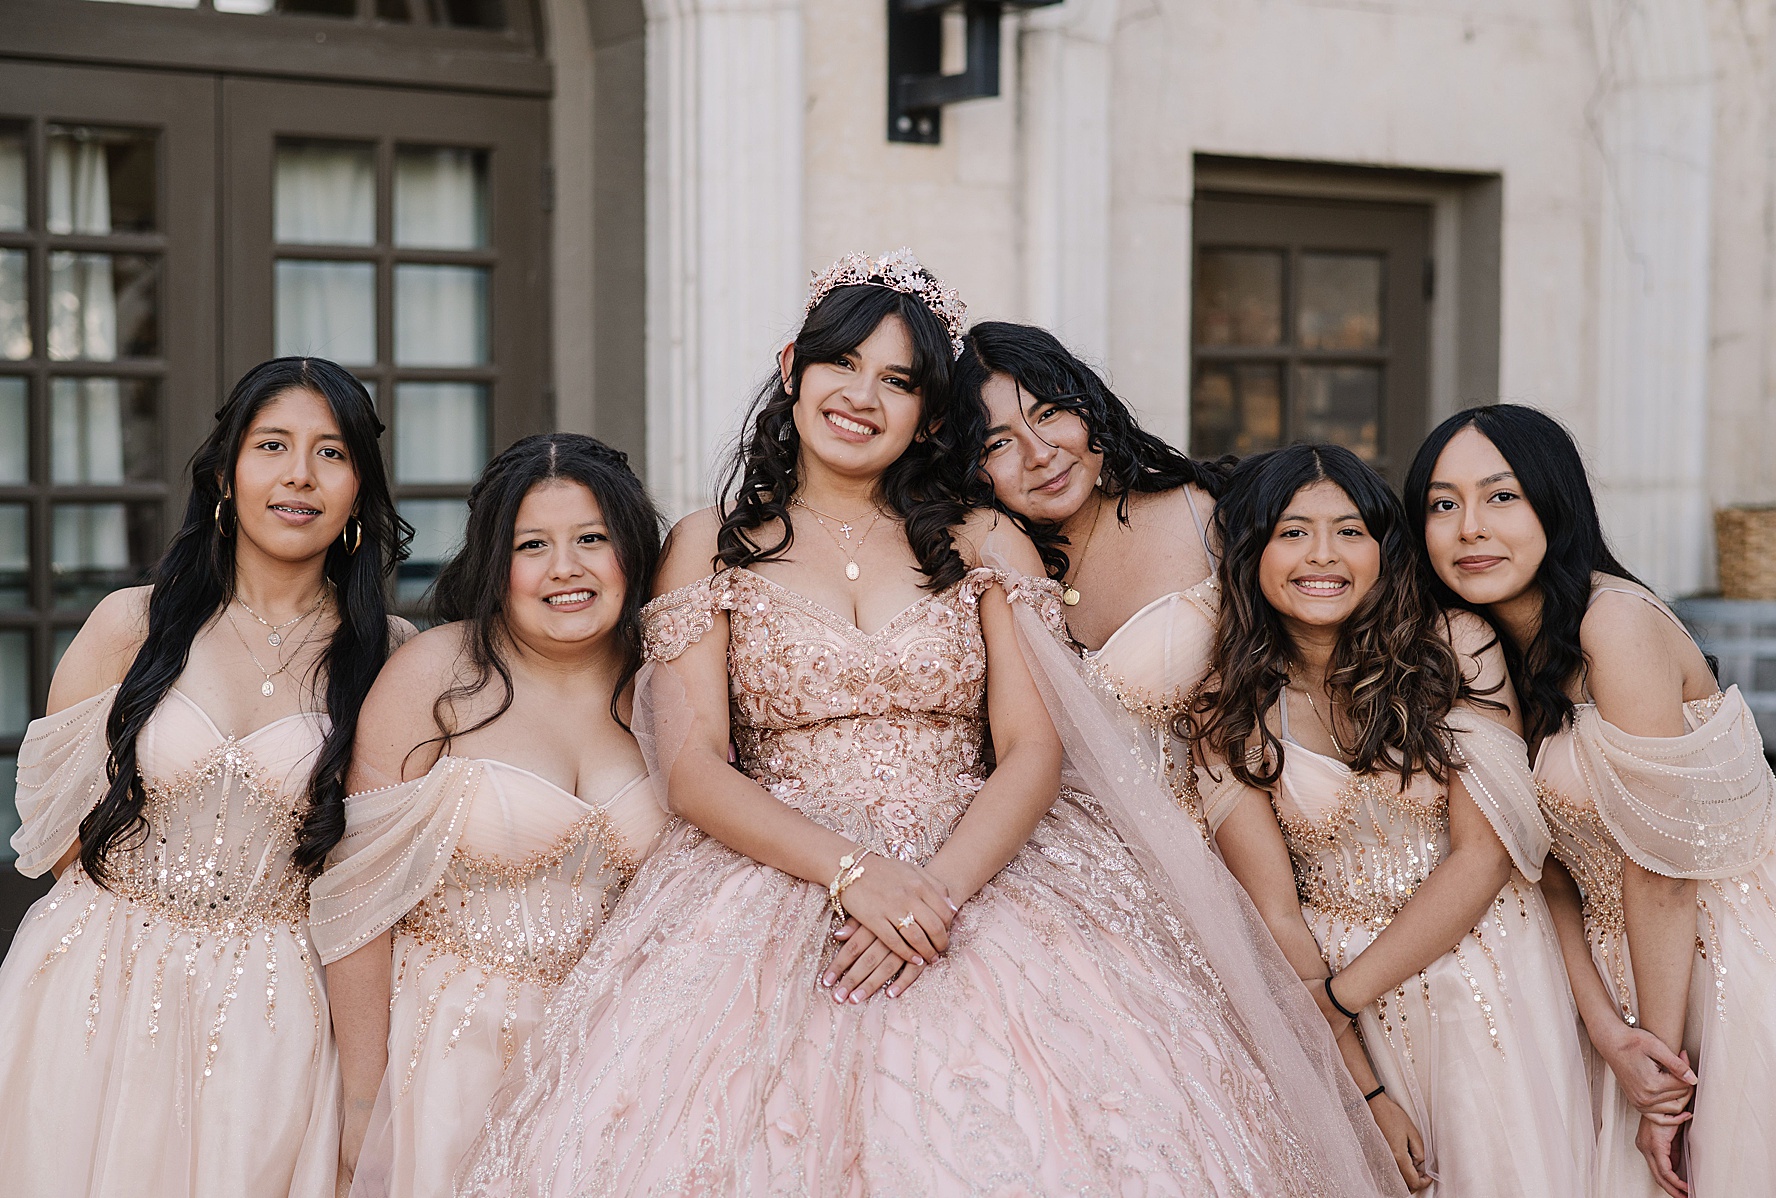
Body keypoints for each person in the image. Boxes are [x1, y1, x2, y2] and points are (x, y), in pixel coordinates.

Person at [457, 249, 1404, 1197]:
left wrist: (934, 895)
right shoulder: (710, 544)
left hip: (986, 863)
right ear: (793, 369)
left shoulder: (982, 538)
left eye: (899, 380)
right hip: (773, 870)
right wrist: (855, 874)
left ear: (930, 415)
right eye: (842, 365)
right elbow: (696, 767)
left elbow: (1035, 749)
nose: (862, 396)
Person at [0, 357, 410, 1197]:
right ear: (226, 473)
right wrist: (143, 941)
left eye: (331, 453)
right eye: (273, 446)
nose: (300, 475)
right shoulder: (132, 624)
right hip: (97, 985)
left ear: (360, 488)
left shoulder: (392, 657)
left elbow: (380, 874)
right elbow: (53, 835)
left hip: (274, 1005)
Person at [1404, 404, 1776, 1197]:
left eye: (1502, 496)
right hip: (1619, 974)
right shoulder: (1481, 652)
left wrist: (1663, 1085)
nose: (1471, 528)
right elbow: (1546, 870)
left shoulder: (1612, 622)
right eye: (1444, 505)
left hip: (1722, 947)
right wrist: (1603, 1028)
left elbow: (1662, 870)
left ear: (1556, 503)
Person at [1195, 443, 1593, 1197]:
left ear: (1384, 548)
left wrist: (1338, 1000)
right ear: (1252, 553)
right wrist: (1360, 1086)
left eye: (1350, 531)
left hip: (1485, 963)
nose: (1325, 555)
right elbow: (1275, 912)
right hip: (1340, 1002)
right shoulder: (1230, 706)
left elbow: (1484, 857)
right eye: (1292, 531)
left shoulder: (1454, 648)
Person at [310, 434, 668, 1198]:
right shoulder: (436, 676)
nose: (565, 568)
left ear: (632, 550)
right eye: (532, 544)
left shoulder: (669, 685)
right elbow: (358, 905)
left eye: (591, 539)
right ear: (495, 563)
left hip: (619, 1060)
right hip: (448, 1054)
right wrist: (364, 1101)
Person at [955, 320, 1227, 820]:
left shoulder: (1205, 513)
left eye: (1050, 412)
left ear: (1089, 405)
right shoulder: (979, 574)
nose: (1040, 455)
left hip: (1228, 846)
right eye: (998, 444)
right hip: (1066, 865)